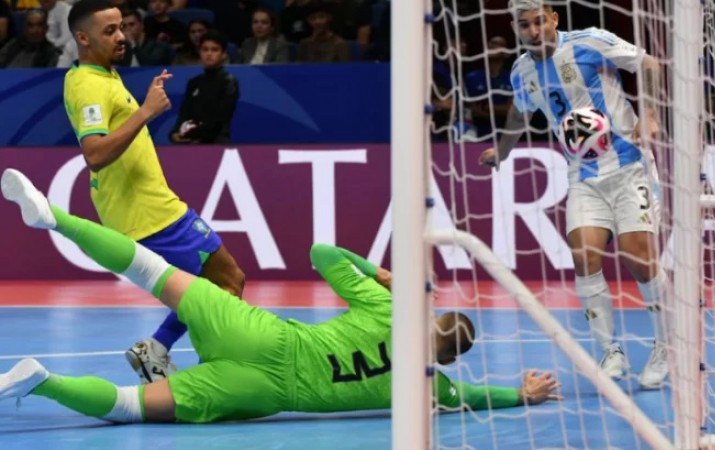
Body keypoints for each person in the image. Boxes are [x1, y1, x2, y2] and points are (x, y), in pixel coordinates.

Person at [0, 168, 562, 423]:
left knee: (152, 270)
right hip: (263, 390)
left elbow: (320, 253)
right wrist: (524, 392)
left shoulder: (391, 307)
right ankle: (44, 382)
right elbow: (483, 395)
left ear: (428, 318)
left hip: (265, 336)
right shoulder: (430, 389)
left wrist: (380, 273)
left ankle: (53, 217)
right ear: (445, 357)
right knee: (129, 408)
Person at [478, 0, 669, 389]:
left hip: (630, 164)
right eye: (525, 25)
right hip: (583, 175)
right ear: (515, 28)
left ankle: (667, 344)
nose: (534, 30)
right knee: (584, 255)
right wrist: (502, 150)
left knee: (639, 259)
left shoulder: (589, 42)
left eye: (540, 21)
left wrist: (649, 115)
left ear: (554, 18)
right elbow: (520, 114)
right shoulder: (522, 71)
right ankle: (610, 351)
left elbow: (647, 64)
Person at [62, 0, 244, 384]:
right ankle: (221, 368)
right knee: (226, 282)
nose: (121, 36)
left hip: (153, 207)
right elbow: (94, 154)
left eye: (121, 27)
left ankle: (160, 349)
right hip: (147, 215)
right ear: (82, 38)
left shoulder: (103, 76)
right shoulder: (88, 86)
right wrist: (146, 112)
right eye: (108, 30)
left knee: (217, 284)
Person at [169, 30, 240, 144]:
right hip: (190, 141)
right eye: (205, 49)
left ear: (224, 54)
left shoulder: (229, 82)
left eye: (214, 50)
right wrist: (174, 133)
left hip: (217, 142)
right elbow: (184, 113)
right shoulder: (194, 83)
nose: (209, 54)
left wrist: (191, 134)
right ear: (199, 52)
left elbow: (219, 119)